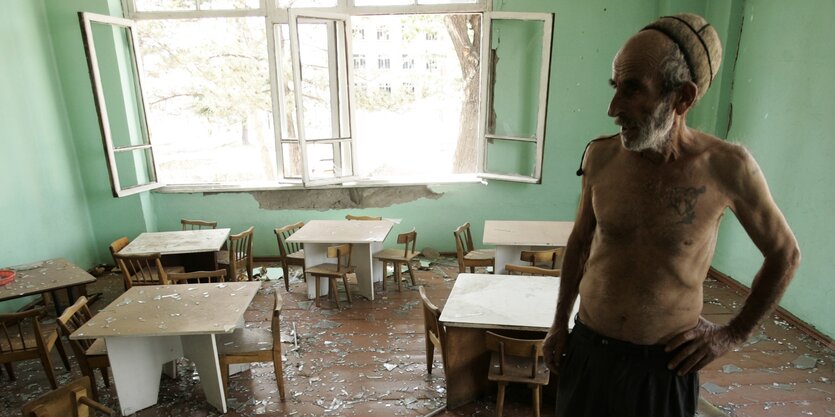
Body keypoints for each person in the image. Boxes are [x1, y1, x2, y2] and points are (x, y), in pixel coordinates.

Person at [543, 12, 801, 417]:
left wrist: (732, 334)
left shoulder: (727, 168)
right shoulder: (600, 156)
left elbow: (785, 254)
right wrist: (559, 323)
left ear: (682, 98)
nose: (613, 108)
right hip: (590, 352)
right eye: (615, 87)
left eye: (632, 90)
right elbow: (579, 244)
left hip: (664, 368)